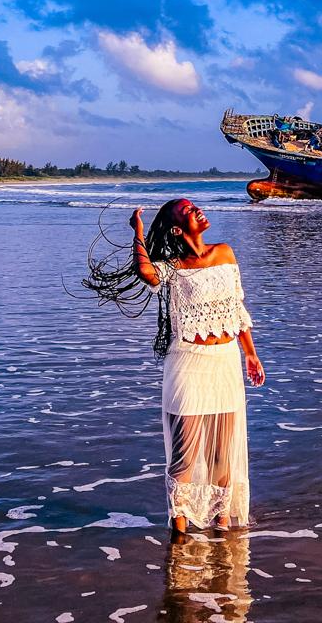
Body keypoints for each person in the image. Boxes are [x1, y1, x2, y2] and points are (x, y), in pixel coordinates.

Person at [83, 198, 264, 533]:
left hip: (226, 363)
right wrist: (138, 232)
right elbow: (146, 273)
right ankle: (179, 534)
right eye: (187, 210)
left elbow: (237, 307)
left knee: (222, 456)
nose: (197, 209)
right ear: (178, 229)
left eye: (195, 205)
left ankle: (222, 524)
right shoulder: (173, 266)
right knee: (185, 453)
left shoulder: (225, 252)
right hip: (188, 365)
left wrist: (250, 353)